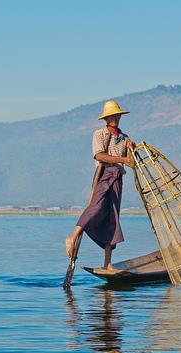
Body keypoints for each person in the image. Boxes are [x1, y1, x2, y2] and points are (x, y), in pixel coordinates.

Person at [65, 100, 135, 272]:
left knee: (113, 217)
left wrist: (131, 149)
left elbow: (130, 161)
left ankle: (107, 263)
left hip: (117, 178)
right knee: (95, 207)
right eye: (113, 116)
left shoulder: (124, 138)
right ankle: (72, 237)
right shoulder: (99, 134)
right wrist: (122, 159)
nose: (116, 118)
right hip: (104, 175)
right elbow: (99, 156)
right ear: (107, 118)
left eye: (117, 115)